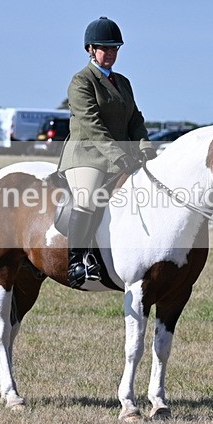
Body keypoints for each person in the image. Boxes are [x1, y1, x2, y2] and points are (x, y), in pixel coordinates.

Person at [59, 16, 157, 288]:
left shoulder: (123, 82)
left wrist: (145, 147)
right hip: (87, 155)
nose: (111, 53)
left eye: (115, 48)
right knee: (88, 197)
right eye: (105, 48)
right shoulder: (81, 81)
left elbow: (135, 119)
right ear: (91, 49)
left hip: (121, 156)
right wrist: (118, 155)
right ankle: (76, 262)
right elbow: (92, 124)